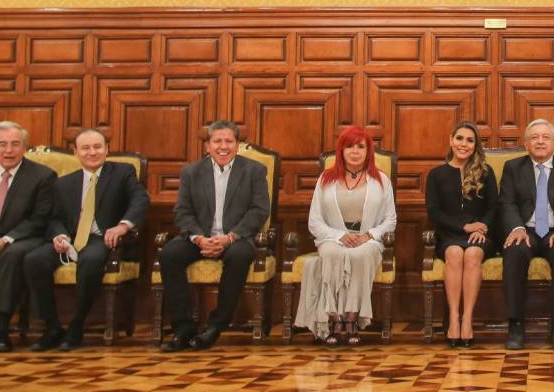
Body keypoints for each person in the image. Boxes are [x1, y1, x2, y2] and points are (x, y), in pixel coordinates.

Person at [25, 128, 149, 351]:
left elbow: (140, 199)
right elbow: (54, 218)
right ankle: (52, 327)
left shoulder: (122, 172)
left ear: (107, 149)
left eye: (97, 147)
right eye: (86, 148)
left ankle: (76, 326)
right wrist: (59, 235)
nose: (92, 152)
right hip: (69, 238)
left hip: (102, 239)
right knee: (34, 259)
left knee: (91, 260)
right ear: (76, 152)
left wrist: (123, 226)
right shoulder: (63, 183)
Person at [158, 120, 270, 352]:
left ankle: (216, 326)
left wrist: (230, 237)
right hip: (200, 237)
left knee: (239, 256)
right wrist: (199, 238)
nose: (223, 146)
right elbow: (182, 211)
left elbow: (259, 210)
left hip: (235, 238)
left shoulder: (254, 171)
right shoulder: (191, 172)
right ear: (208, 145)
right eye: (217, 141)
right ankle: (183, 328)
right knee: (169, 254)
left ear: (237, 144)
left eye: (229, 141)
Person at [294, 126, 396, 346]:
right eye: (349, 146)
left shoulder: (381, 181)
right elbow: (315, 220)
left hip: (368, 240)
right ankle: (333, 318)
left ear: (369, 151)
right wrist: (340, 235)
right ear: (341, 150)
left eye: (361, 146)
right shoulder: (326, 179)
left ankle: (351, 319)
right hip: (332, 238)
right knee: (331, 254)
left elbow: (390, 220)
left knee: (360, 256)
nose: (355, 151)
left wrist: (369, 235)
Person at [499, 117, 554, 351]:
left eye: (545, 137)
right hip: (524, 229)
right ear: (526, 144)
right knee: (514, 251)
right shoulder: (512, 168)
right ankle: (515, 325)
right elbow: (507, 203)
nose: (540, 141)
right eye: (534, 138)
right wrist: (516, 228)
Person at [0, 121, 56, 353]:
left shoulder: (42, 176)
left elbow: (39, 219)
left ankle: (1, 328)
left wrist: (5, 240)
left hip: (22, 239)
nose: (8, 150)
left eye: (15, 144)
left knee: (13, 255)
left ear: (25, 147)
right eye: (2, 144)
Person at [425, 121, 497, 348]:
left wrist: (482, 227)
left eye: (469, 140)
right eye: (460, 139)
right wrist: (463, 227)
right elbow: (433, 211)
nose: (463, 144)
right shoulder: (436, 174)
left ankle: (467, 319)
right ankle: (453, 319)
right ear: (451, 140)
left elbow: (494, 207)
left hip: (481, 236)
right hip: (449, 235)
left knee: (473, 253)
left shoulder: (485, 173)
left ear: (475, 146)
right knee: (455, 253)